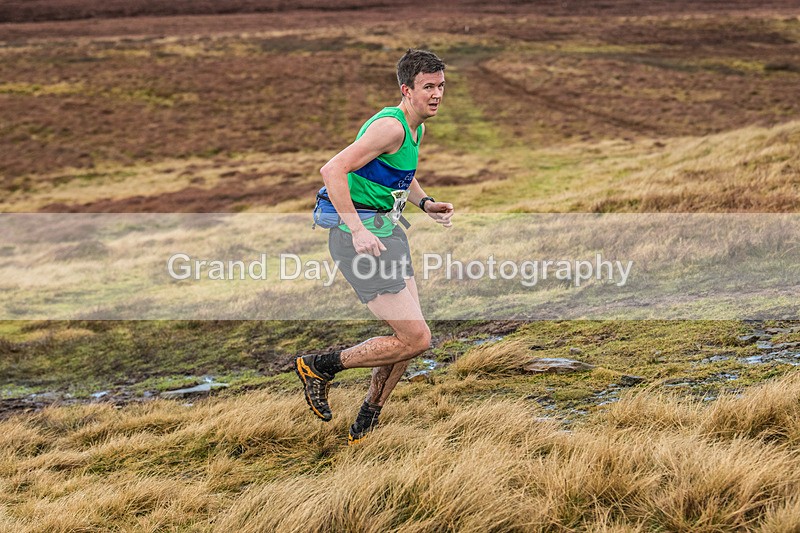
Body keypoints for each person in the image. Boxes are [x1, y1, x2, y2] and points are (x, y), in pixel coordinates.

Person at [295, 49, 454, 445]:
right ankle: (321, 366)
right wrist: (356, 230)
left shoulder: (415, 127)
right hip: (361, 240)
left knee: (409, 338)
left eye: (440, 86)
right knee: (417, 338)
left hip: (387, 232)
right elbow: (332, 169)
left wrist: (425, 203)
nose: (436, 94)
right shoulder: (391, 128)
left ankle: (367, 419)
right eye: (428, 87)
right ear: (406, 90)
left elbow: (401, 174)